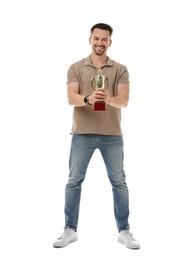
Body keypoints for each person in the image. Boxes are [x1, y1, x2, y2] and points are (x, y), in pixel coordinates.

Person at [53, 23, 140, 250]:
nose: (99, 43)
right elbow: (71, 98)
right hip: (82, 133)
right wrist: (87, 99)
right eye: (96, 38)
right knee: (74, 182)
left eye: (104, 39)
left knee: (119, 182)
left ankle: (124, 230)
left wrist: (106, 98)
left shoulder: (120, 69)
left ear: (110, 42)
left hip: (112, 134)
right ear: (90, 40)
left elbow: (124, 100)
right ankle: (70, 229)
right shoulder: (76, 67)